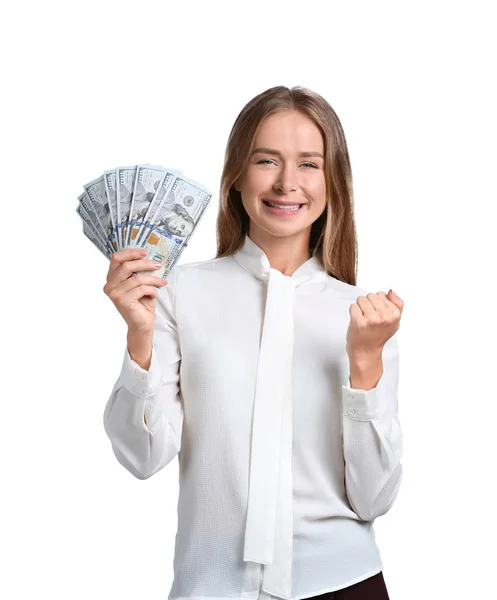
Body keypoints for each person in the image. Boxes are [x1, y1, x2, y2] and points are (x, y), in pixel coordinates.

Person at [102, 85, 404, 600]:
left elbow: (373, 498)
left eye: (309, 164)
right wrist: (139, 336)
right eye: (267, 160)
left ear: (333, 182)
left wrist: (366, 361)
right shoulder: (178, 293)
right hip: (212, 588)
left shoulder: (363, 315)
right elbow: (142, 456)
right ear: (236, 176)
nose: (288, 183)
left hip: (343, 583)